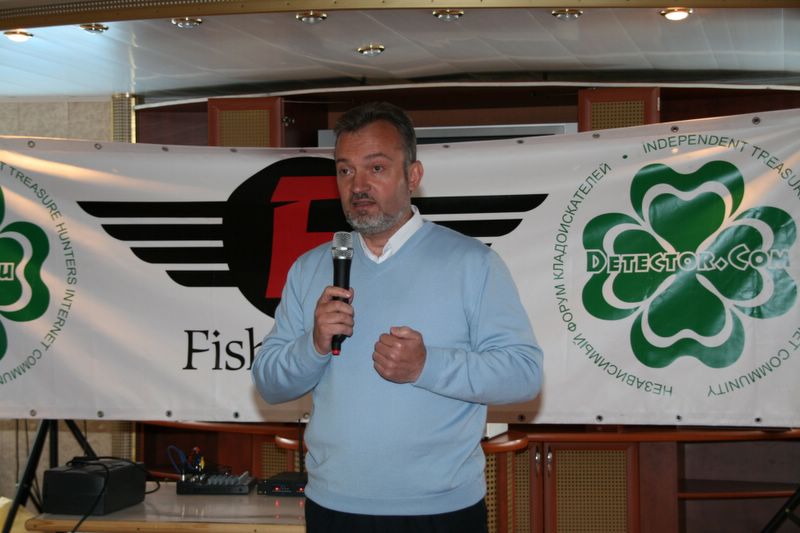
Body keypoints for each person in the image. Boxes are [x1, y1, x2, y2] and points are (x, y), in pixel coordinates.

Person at [252, 101, 543, 533]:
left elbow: (524, 375)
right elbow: (268, 384)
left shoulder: (472, 263)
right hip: (333, 508)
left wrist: (427, 366)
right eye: (345, 170)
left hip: (441, 512)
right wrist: (312, 345)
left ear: (413, 175)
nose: (358, 185)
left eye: (376, 168)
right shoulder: (311, 267)